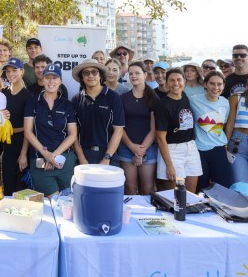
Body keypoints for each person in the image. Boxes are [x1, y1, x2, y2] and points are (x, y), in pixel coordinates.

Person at [24, 64, 78, 197]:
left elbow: (72, 134)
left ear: (61, 81)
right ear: (42, 80)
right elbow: (28, 132)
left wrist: (53, 156)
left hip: (64, 160)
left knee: (69, 202)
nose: (51, 81)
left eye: (55, 78)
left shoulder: (67, 104)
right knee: (53, 202)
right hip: (40, 161)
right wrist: (45, 154)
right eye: (47, 77)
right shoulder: (32, 102)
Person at [154, 68, 201, 192]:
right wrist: (169, 165)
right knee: (174, 197)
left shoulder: (185, 98)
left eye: (179, 80)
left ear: (184, 81)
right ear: (167, 83)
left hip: (191, 148)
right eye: (172, 80)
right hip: (172, 151)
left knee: (191, 194)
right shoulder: (163, 105)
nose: (176, 84)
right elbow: (160, 138)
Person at [116, 61, 159, 195]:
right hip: (126, 148)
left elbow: (154, 129)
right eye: (131, 73)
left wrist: (140, 151)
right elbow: (119, 126)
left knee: (147, 189)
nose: (134, 76)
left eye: (137, 73)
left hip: (148, 149)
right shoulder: (123, 98)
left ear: (145, 75)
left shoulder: (153, 97)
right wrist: (132, 147)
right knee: (130, 188)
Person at [71, 59, 125, 165]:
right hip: (83, 155)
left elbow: (118, 130)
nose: (90, 76)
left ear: (100, 75)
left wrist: (107, 157)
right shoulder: (76, 99)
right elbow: (73, 132)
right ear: (82, 77)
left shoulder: (113, 97)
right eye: (86, 73)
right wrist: (81, 158)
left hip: (109, 155)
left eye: (94, 72)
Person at [189, 71, 232, 191]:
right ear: (205, 85)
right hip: (199, 150)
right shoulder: (193, 101)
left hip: (219, 149)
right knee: (200, 188)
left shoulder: (225, 102)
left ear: (223, 86)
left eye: (219, 84)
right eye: (212, 83)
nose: (216, 87)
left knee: (223, 188)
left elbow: (224, 124)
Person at [1, 57, 34, 195]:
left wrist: (23, 154)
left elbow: (29, 129)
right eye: (8, 71)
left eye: (14, 70)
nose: (11, 74)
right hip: (6, 147)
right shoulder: (3, 94)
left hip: (22, 146)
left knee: (21, 190)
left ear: (22, 71)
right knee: (7, 188)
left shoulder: (28, 96)